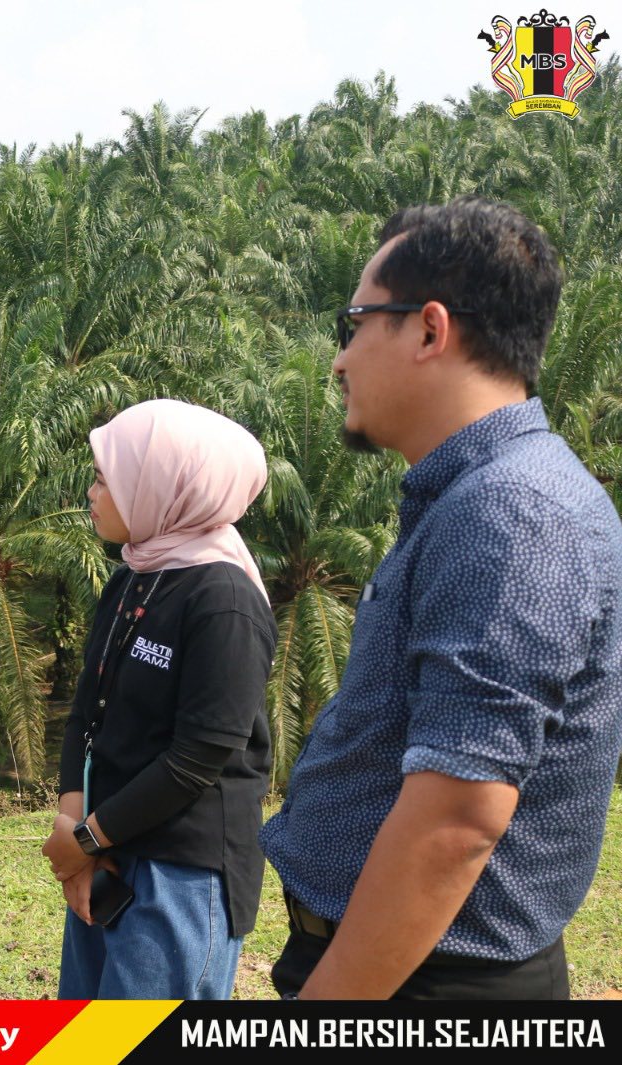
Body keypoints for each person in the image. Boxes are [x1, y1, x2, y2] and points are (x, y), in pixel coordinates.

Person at [261, 197, 622, 999]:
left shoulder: (513, 511)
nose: (340, 359)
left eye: (356, 322)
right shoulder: (483, 495)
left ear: (429, 329)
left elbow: (456, 820)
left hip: (424, 986)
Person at [41, 398, 275, 1000]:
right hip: (107, 855)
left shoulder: (224, 600)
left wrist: (86, 839)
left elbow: (197, 758)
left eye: (104, 479)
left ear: (160, 486)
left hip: (181, 873)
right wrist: (73, 829)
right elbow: (84, 716)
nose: (91, 493)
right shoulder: (132, 579)